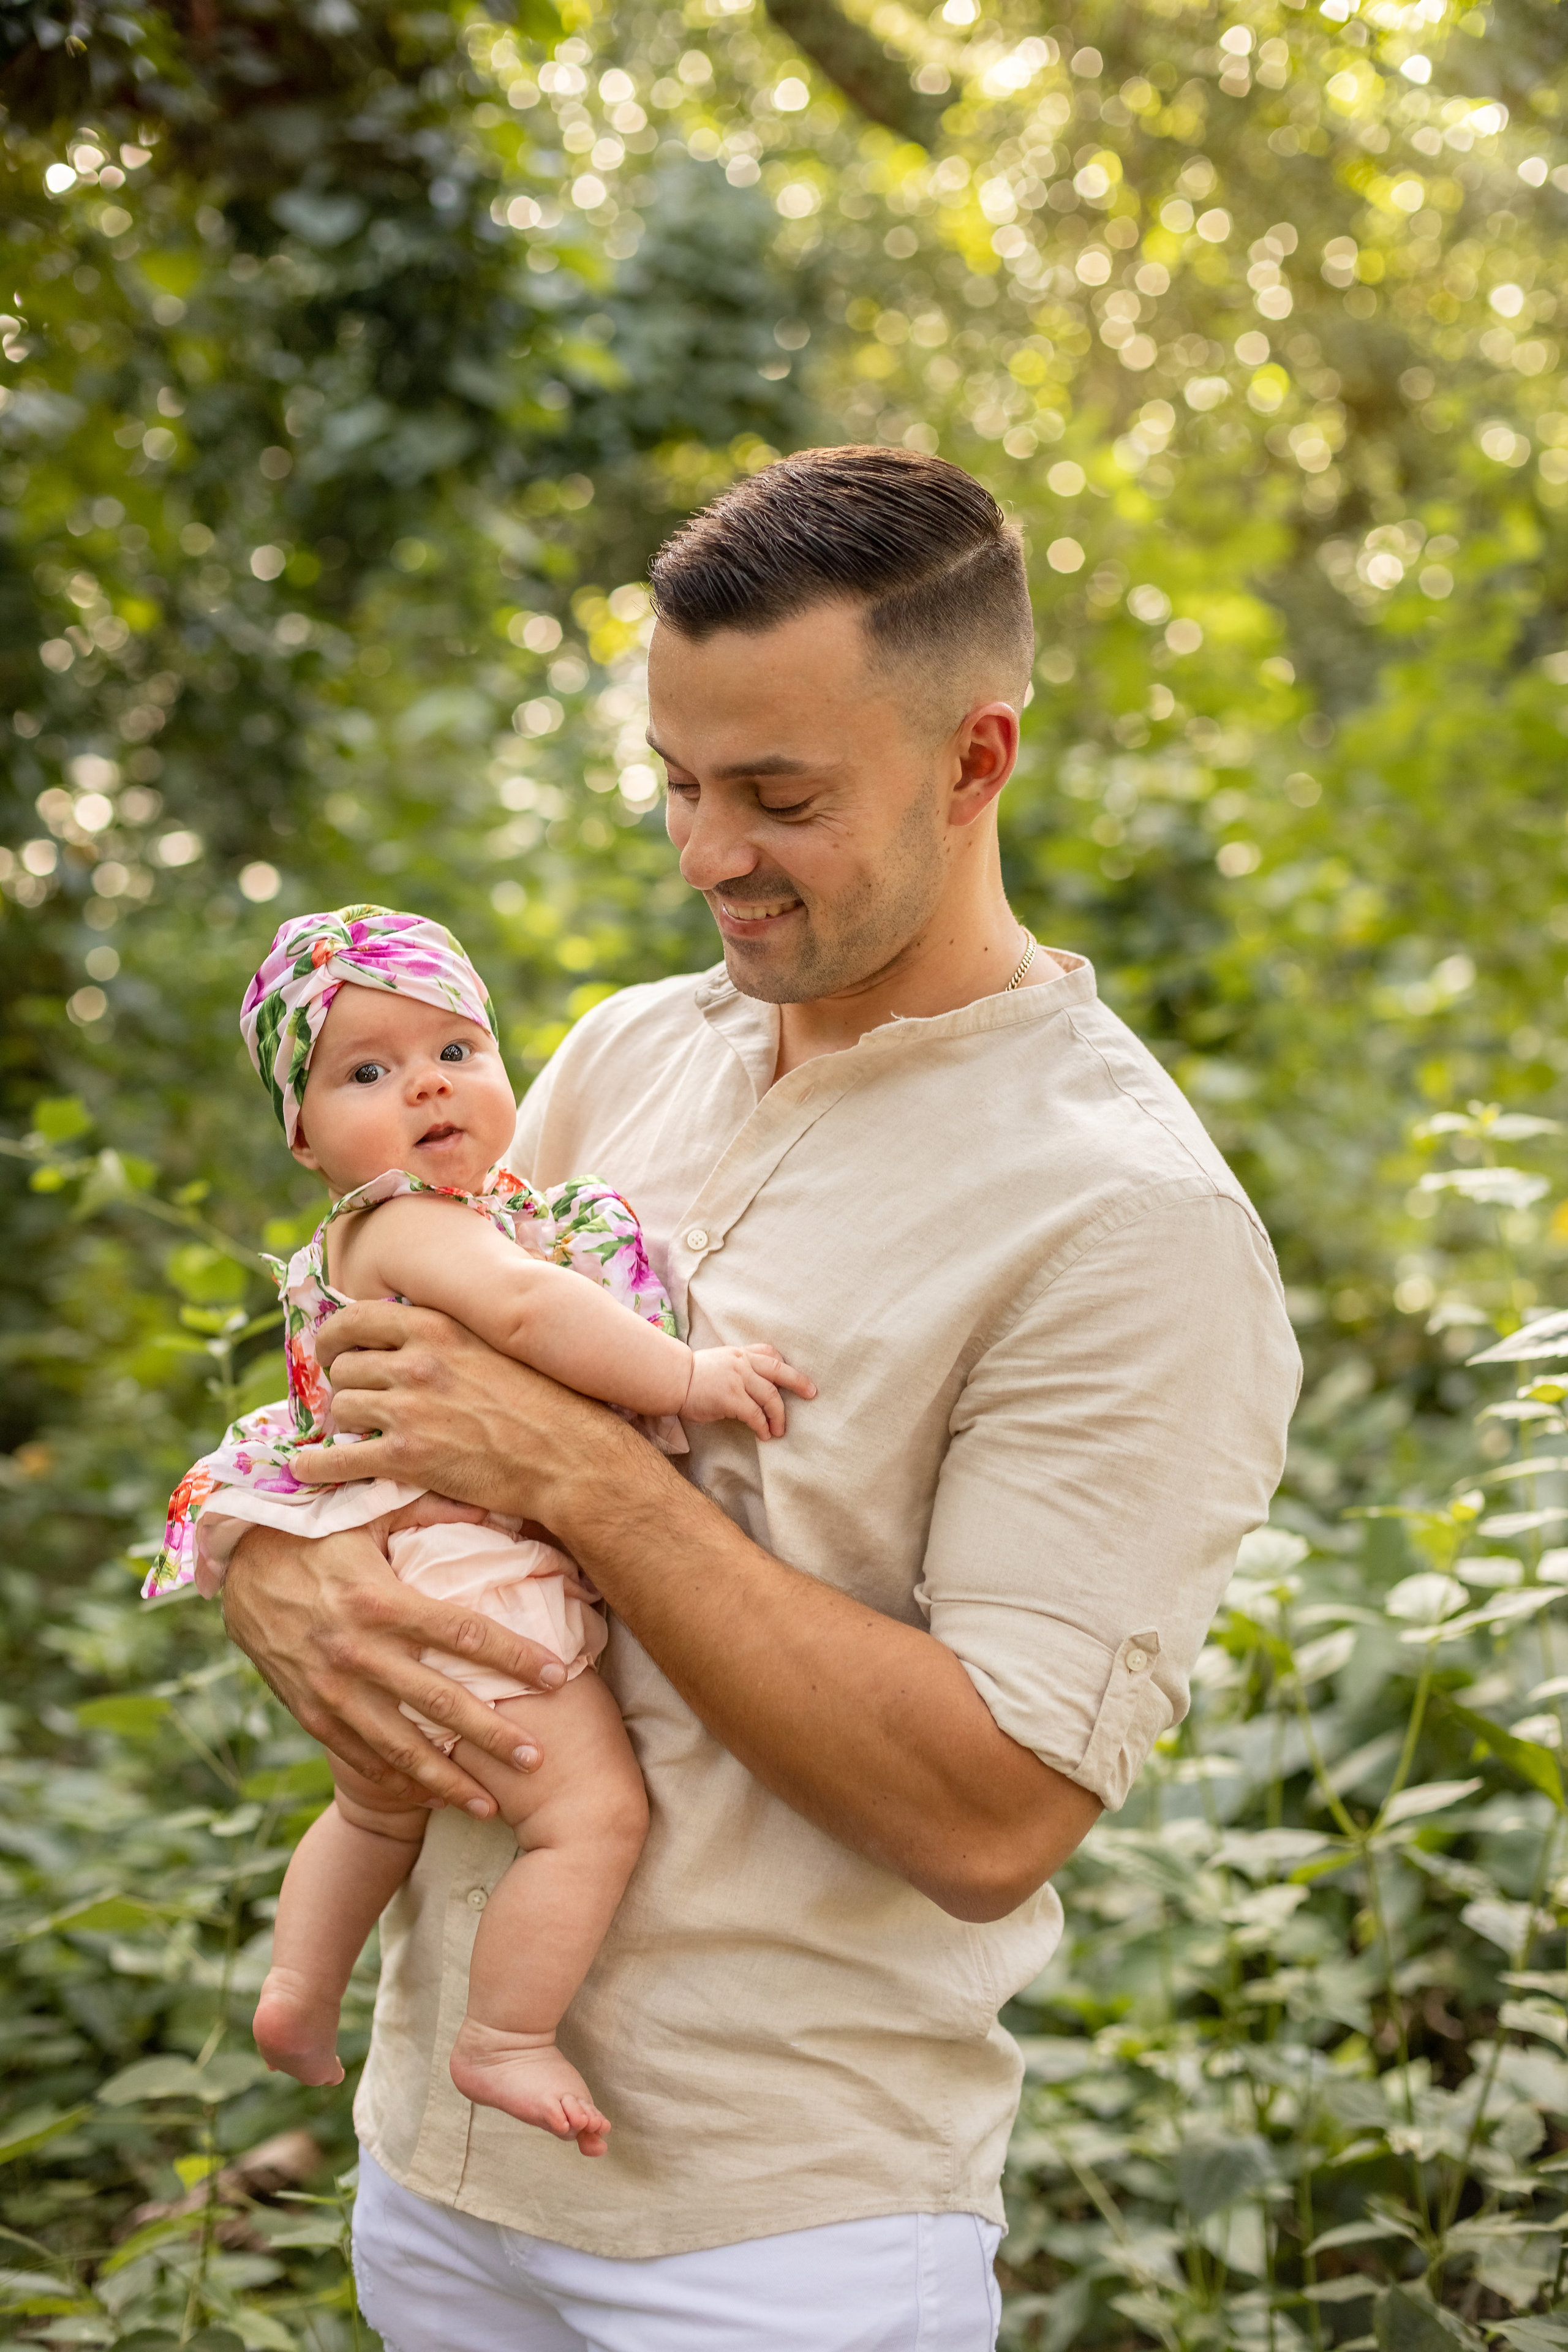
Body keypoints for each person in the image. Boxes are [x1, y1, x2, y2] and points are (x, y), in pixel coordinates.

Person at [216, 447, 1301, 2352]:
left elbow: (989, 1813)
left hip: (767, 2246)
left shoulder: (1126, 1222)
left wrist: (584, 1474)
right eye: (678, 783)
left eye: (780, 796)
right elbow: (381, 1391)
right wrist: (257, 1564)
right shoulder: (628, 1047)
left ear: (977, 761)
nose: (711, 850)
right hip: (439, 2176)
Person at [148, 904, 811, 2158]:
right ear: (304, 1137)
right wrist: (685, 1380)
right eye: (366, 1072)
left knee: (377, 1809)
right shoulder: (408, 1223)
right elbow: (525, 1312)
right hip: (462, 1563)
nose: (426, 1089)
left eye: (455, 1052)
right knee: (589, 1815)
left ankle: (296, 1991)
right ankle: (503, 2036)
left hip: (401, 1543)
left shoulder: (473, 1207)